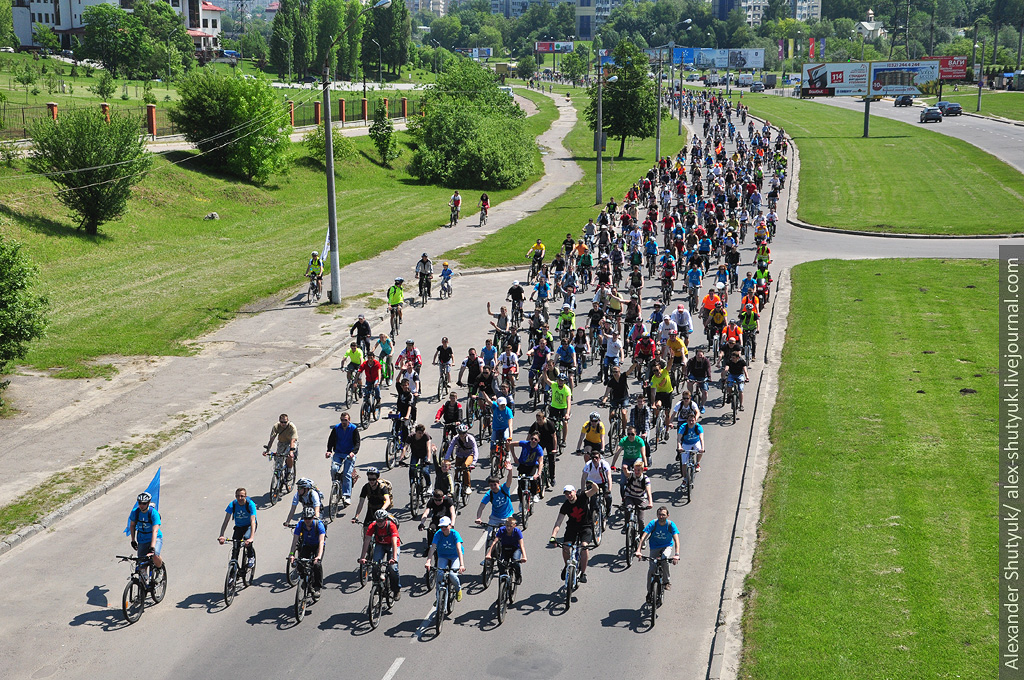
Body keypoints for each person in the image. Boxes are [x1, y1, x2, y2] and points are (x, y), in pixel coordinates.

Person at [549, 483, 601, 583]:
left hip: (586, 526)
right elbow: (558, 522)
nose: (569, 495)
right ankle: (567, 566)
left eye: (570, 492)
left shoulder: (583, 496)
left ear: (575, 492)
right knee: (565, 546)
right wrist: (553, 536)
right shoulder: (565, 505)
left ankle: (582, 572)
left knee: (584, 547)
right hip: (572, 527)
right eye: (566, 494)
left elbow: (595, 490)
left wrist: (592, 483)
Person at [359, 509, 402, 601]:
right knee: (375, 565)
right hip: (380, 545)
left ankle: (396, 589)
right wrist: (362, 557)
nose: (379, 523)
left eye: (381, 521)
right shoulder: (373, 526)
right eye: (377, 521)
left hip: (392, 545)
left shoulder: (391, 526)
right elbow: (367, 541)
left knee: (393, 568)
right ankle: (376, 584)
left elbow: (394, 543)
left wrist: (394, 558)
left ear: (386, 519)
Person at [635, 506, 681, 593]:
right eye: (659, 515)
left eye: (663, 515)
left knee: (665, 558)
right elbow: (643, 537)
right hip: (654, 547)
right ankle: (649, 592)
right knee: (651, 569)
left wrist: (676, 555)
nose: (661, 517)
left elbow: (676, 540)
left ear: (668, 515)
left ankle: (666, 582)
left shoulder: (671, 525)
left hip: (667, 546)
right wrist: (638, 550)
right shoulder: (653, 523)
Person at [424, 515, 466, 600]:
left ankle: (458, 589)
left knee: (452, 575)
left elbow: (459, 549)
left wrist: (462, 565)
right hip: (443, 556)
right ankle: (438, 598)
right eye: (441, 527)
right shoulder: (438, 534)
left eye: (445, 526)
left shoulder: (455, 534)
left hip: (455, 556)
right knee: (439, 575)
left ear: (450, 525)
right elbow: (432, 548)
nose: (443, 529)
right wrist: (428, 561)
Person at [325, 412, 360, 506]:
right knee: (334, 469)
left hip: (349, 454)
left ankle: (347, 495)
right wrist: (329, 451)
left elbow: (357, 443)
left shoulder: (353, 429)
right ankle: (335, 485)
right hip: (338, 453)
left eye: (345, 420)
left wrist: (353, 452)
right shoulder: (336, 428)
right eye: (342, 420)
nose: (343, 422)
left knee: (346, 474)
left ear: (349, 420)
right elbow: (331, 440)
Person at [218, 487, 257, 568]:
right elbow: (226, 521)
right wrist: (221, 535)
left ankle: (251, 556)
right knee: (235, 546)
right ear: (235, 496)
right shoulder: (233, 505)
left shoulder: (250, 504)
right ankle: (233, 571)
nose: (240, 498)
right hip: (239, 526)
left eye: (242, 496)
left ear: (245, 496)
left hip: (249, 525)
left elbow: (253, 521)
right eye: (238, 496)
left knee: (247, 538)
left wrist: (251, 538)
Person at [475, 464, 517, 536]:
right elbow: (481, 506)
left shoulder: (504, 489)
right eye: (491, 485)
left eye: (495, 484)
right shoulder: (489, 494)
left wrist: (510, 471)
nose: (493, 487)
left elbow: (509, 480)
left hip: (507, 516)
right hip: (495, 517)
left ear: (498, 483)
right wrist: (478, 518)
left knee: (508, 535)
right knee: (489, 536)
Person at [485, 516, 527, 585]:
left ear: (514, 526)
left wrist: (524, 556)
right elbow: (494, 542)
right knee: (501, 562)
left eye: (510, 526)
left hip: (515, 549)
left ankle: (518, 575)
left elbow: (521, 545)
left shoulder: (517, 532)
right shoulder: (502, 530)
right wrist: (489, 553)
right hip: (505, 548)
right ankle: (503, 576)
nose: (508, 528)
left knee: (515, 561)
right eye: (507, 526)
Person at [129, 491, 163, 569]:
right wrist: (133, 540)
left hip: (155, 537)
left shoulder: (153, 514)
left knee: (155, 555)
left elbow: (155, 531)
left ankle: (160, 569)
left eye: (144, 503)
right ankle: (144, 580)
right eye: (140, 503)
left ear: (148, 503)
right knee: (141, 563)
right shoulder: (135, 512)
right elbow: (132, 525)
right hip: (142, 539)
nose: (141, 505)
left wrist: (152, 547)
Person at [445, 423, 478, 494]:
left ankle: (467, 486)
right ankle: (454, 486)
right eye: (460, 433)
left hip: (469, 455)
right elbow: (450, 448)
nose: (462, 435)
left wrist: (473, 463)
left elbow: (475, 450)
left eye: (463, 433)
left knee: (465, 466)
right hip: (459, 456)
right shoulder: (456, 438)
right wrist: (446, 459)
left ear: (466, 433)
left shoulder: (471, 439)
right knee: (457, 470)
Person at [580, 449, 614, 517]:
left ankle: (608, 510)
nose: (595, 459)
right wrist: (583, 490)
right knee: (593, 500)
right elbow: (583, 478)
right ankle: (592, 516)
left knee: (608, 497)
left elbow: (609, 477)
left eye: (596, 458)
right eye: (593, 458)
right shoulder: (588, 465)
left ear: (600, 458)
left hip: (603, 482)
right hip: (592, 483)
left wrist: (609, 490)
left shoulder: (604, 464)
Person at [621, 460, 653, 527]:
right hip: (630, 496)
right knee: (628, 509)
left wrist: (650, 502)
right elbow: (627, 473)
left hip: (640, 498)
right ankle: (626, 526)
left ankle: (642, 536)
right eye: (635, 470)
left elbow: (648, 491)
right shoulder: (632, 475)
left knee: (640, 520)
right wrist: (624, 469)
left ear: (642, 470)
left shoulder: (645, 479)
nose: (636, 472)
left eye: (638, 470)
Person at [514, 433, 545, 500]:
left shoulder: (539, 449)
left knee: (533, 480)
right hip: (522, 465)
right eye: (532, 439)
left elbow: (541, 462)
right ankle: (521, 502)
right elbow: (511, 444)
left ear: (538, 440)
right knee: (520, 485)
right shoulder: (525, 443)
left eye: (535, 439)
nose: (533, 440)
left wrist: (538, 474)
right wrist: (514, 457)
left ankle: (534, 495)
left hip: (532, 466)